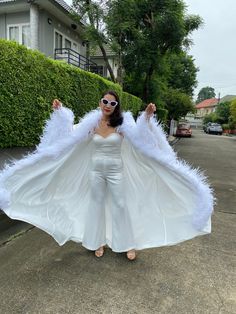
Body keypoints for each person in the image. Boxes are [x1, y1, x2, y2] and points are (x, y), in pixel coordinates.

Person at [0, 90, 214, 261]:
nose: (108, 105)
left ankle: (127, 244)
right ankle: (96, 242)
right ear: (100, 102)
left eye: (113, 103)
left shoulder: (122, 125)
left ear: (116, 106)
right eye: (105, 101)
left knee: (120, 205)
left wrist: (147, 117)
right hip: (96, 171)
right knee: (96, 204)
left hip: (115, 171)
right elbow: (69, 136)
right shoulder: (91, 124)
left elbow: (142, 138)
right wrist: (60, 112)